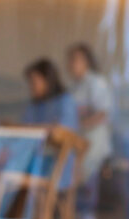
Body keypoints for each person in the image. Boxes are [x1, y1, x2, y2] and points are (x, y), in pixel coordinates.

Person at [67, 42, 114, 219]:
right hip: (78, 142)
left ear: (86, 61)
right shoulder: (73, 86)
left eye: (76, 59)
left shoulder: (96, 83)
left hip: (95, 142)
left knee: (87, 179)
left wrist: (79, 125)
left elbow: (103, 113)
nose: (72, 64)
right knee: (76, 178)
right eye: (70, 59)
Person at [22, 58, 79, 191]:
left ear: (47, 80)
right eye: (30, 82)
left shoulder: (65, 102)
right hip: (34, 161)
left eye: (35, 82)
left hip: (54, 166)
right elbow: (23, 129)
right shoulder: (34, 106)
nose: (32, 86)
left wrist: (37, 129)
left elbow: (63, 131)